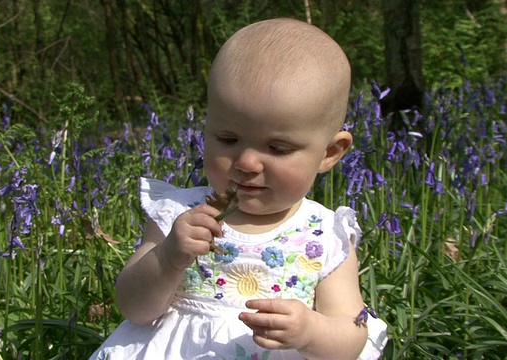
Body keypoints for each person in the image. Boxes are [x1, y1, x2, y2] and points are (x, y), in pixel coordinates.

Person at [90, 18, 388, 360]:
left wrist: (310, 330)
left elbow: (351, 336)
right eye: (228, 139)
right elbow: (134, 308)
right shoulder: (178, 215)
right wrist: (168, 257)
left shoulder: (325, 236)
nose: (247, 161)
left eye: (277, 148)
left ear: (331, 152)